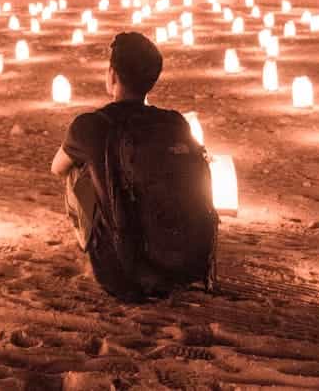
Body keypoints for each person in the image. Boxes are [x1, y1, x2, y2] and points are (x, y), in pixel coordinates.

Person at [51, 30, 217, 300]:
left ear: (112, 74)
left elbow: (57, 168)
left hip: (121, 275)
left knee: (77, 170)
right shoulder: (176, 122)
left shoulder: (91, 125)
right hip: (184, 264)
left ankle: (102, 244)